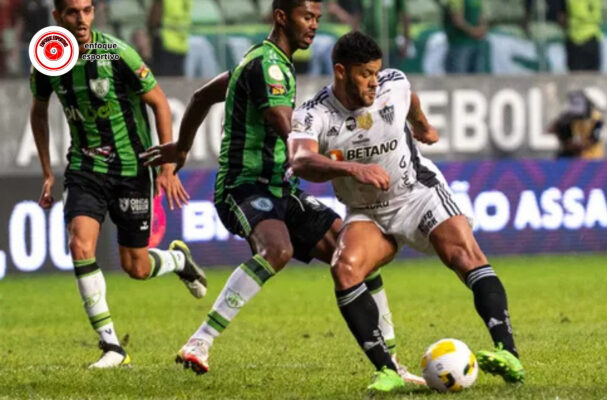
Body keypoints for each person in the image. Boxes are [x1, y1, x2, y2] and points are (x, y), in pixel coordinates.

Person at [140, 0, 422, 384]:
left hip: (281, 188)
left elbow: (202, 96)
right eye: (307, 18)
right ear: (281, 17)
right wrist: (345, 152)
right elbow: (285, 127)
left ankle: (391, 361)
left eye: (318, 19)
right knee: (278, 250)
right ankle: (200, 341)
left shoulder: (264, 61)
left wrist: (183, 147)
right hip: (243, 186)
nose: (314, 26)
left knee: (354, 251)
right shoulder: (268, 66)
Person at [288, 31, 525, 392]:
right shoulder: (313, 114)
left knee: (464, 253)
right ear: (340, 71)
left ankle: (507, 352)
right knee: (345, 268)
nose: (374, 81)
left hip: (417, 193)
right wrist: (354, 169)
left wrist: (421, 124)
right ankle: (388, 369)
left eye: (376, 72)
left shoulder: (392, 84)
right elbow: (301, 159)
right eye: (365, 73)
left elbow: (408, 97)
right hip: (367, 210)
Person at [28, 0, 206, 369]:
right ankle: (112, 346)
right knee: (79, 246)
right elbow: (38, 112)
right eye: (73, 12)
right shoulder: (47, 59)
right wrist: (47, 171)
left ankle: (178, 260)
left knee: (136, 267)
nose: (81, 19)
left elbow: (159, 102)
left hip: (131, 169)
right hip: (84, 167)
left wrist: (167, 165)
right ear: (57, 16)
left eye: (87, 10)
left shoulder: (115, 52)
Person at [547, 90, 604, 159]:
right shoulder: (569, 118)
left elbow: (593, 140)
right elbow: (551, 129)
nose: (578, 116)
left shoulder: (596, 119)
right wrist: (560, 123)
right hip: (575, 157)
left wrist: (572, 146)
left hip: (592, 158)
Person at [443, 0, 488, 74]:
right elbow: (457, 19)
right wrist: (474, 31)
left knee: (476, 77)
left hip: (474, 43)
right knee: (459, 76)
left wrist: (481, 29)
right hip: (459, 43)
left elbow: (481, 16)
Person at [148, 0, 192, 76]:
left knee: (164, 82)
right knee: (178, 81)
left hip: (165, 42)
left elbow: (154, 19)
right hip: (181, 43)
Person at [556, 0, 602, 71]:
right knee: (594, 76)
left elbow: (562, 18)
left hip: (575, 39)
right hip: (593, 37)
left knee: (576, 77)